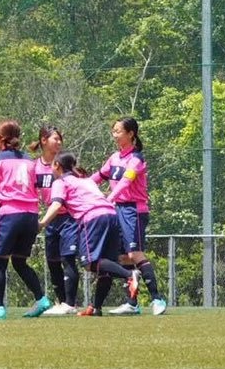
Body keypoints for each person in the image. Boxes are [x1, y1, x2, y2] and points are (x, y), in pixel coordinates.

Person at [39, 152, 139, 315]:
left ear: (57, 165)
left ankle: (129, 275)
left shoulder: (60, 181)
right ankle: (95, 307)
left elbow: (56, 205)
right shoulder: (86, 181)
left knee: (90, 263)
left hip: (92, 218)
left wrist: (42, 222)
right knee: (105, 267)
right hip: (111, 215)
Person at [93, 117, 166, 316]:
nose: (114, 135)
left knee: (135, 254)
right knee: (123, 258)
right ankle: (132, 303)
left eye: (118, 131)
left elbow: (126, 182)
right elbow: (98, 177)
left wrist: (109, 198)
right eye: (114, 131)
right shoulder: (114, 158)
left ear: (131, 134)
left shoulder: (137, 159)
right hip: (117, 210)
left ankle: (157, 299)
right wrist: (79, 187)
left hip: (133, 210)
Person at [0, 120, 52, 320]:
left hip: (11, 214)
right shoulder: (30, 160)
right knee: (20, 262)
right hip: (31, 215)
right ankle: (41, 299)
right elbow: (40, 186)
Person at [30, 125, 81, 315]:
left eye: (60, 139)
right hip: (50, 221)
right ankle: (61, 302)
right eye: (55, 139)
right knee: (52, 261)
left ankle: (70, 303)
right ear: (44, 141)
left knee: (68, 260)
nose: (58, 143)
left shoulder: (67, 166)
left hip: (68, 218)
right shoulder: (35, 167)